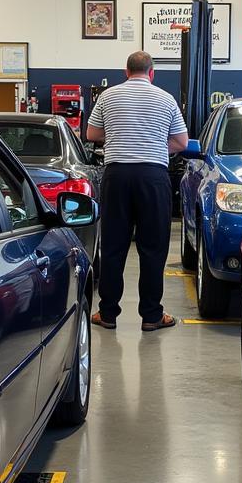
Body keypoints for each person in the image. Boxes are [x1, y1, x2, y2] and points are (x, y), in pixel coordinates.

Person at [86, 51, 189, 331]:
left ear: (126, 71)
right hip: (153, 177)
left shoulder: (107, 97)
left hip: (116, 175)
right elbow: (181, 141)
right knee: (153, 248)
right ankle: (152, 316)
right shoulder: (165, 99)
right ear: (152, 73)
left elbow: (91, 135)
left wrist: (118, 136)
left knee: (113, 246)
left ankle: (107, 314)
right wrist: (155, 146)